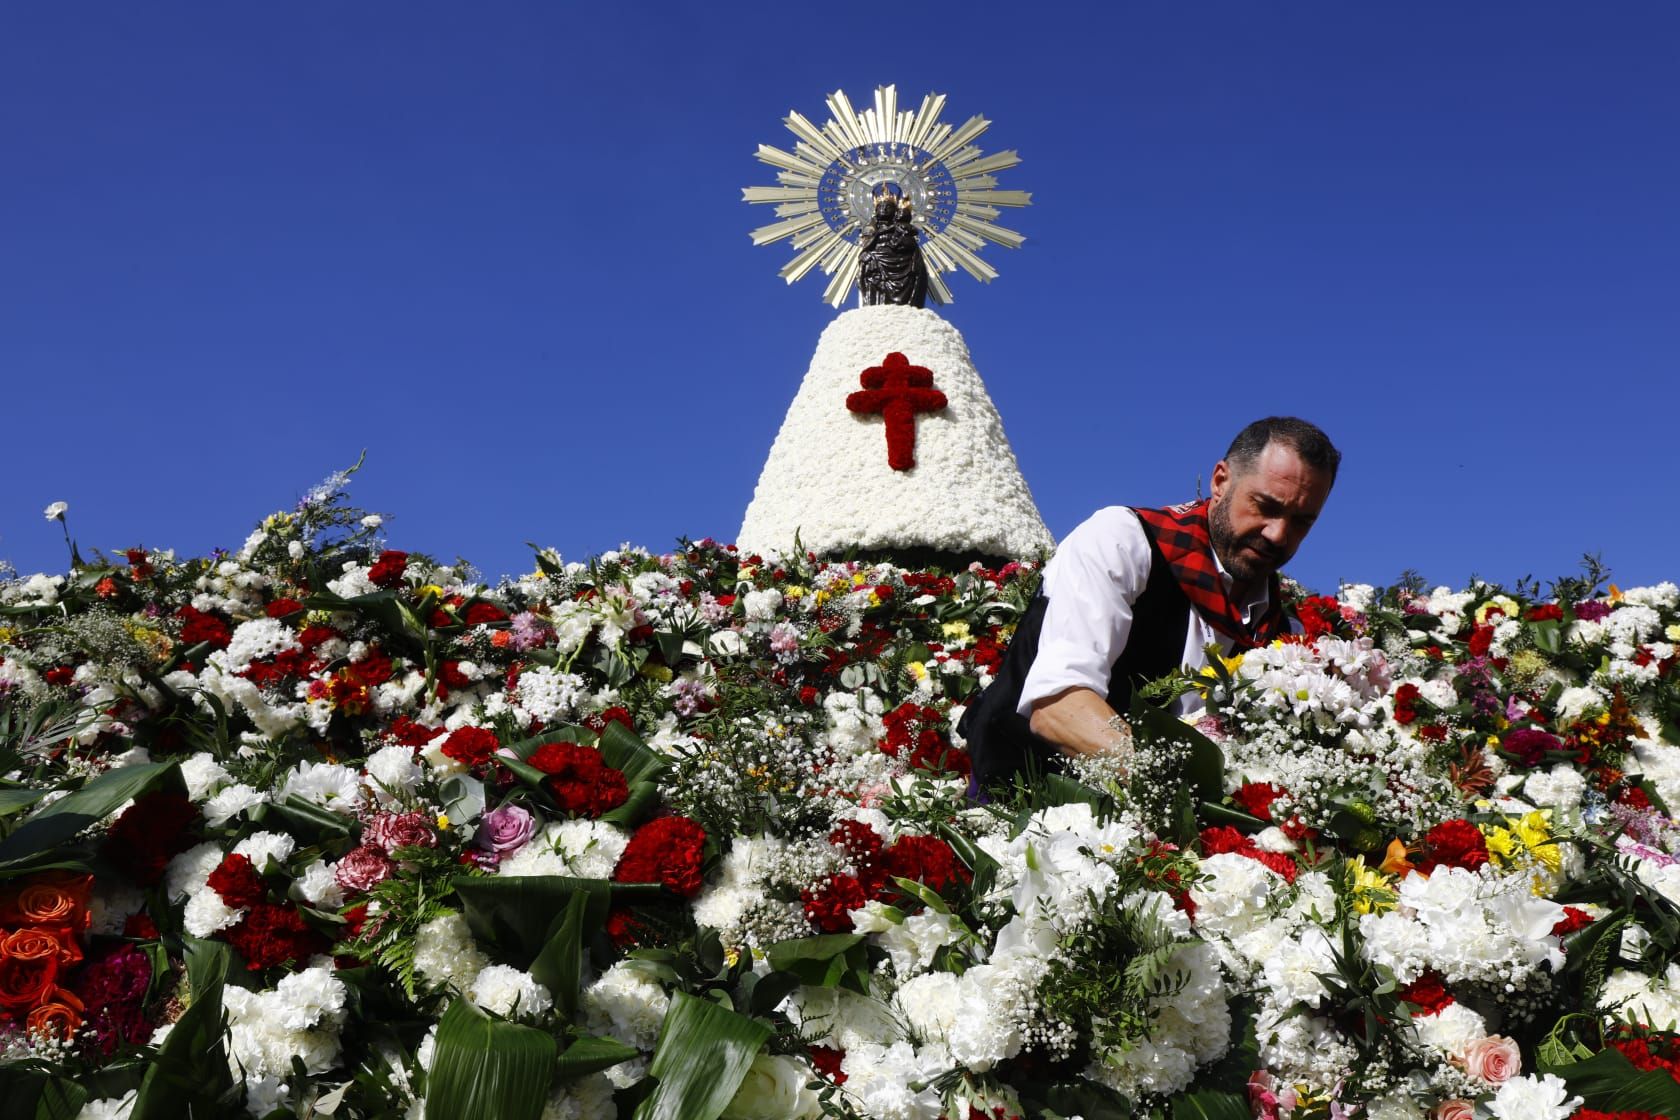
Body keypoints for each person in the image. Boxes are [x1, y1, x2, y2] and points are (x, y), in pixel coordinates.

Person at [960, 416, 1340, 794]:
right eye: (1265, 506)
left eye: (1302, 522)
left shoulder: (1284, 636)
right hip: (1017, 812)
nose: (1278, 534)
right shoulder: (1122, 543)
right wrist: (1185, 798)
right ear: (1221, 481)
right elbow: (1059, 707)